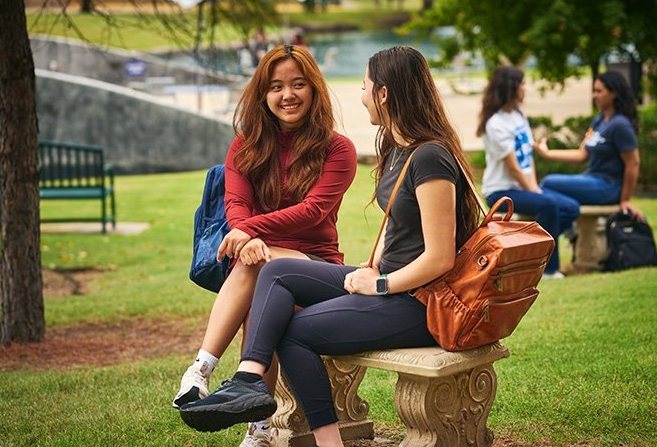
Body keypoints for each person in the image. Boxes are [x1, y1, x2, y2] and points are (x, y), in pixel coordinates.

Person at [179, 45, 482, 447]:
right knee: (274, 271)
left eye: (364, 86)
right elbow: (394, 232)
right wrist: (371, 266)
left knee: (292, 331)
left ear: (384, 94)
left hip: (422, 302)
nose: (361, 95)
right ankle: (248, 380)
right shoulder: (397, 151)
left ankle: (320, 437)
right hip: (390, 284)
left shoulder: (431, 159)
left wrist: (378, 284)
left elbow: (440, 257)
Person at [172, 44, 357, 446]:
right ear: (263, 94)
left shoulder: (338, 148)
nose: (287, 94)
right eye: (276, 86)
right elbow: (235, 202)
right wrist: (247, 236)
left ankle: (202, 371)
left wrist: (246, 232)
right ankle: (254, 426)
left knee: (261, 270)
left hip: (316, 263)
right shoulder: (245, 144)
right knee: (260, 288)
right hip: (255, 257)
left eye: (298, 84)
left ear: (314, 90)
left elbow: (313, 211)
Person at [477, 66, 580, 279]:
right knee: (549, 205)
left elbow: (527, 158)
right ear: (511, 88)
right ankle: (549, 270)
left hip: (524, 187)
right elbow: (513, 167)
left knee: (571, 207)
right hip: (501, 192)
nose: (526, 88)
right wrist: (532, 190)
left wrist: (534, 187)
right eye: (522, 84)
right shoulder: (495, 124)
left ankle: (533, 250)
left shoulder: (518, 115)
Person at [534, 70, 644, 220]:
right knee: (549, 192)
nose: (594, 95)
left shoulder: (620, 125)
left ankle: (567, 223)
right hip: (591, 180)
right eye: (594, 91)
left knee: (548, 183)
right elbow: (582, 154)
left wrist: (625, 200)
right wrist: (547, 153)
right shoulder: (599, 120)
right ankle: (567, 227)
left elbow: (633, 163)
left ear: (614, 93)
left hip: (608, 187)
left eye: (599, 91)